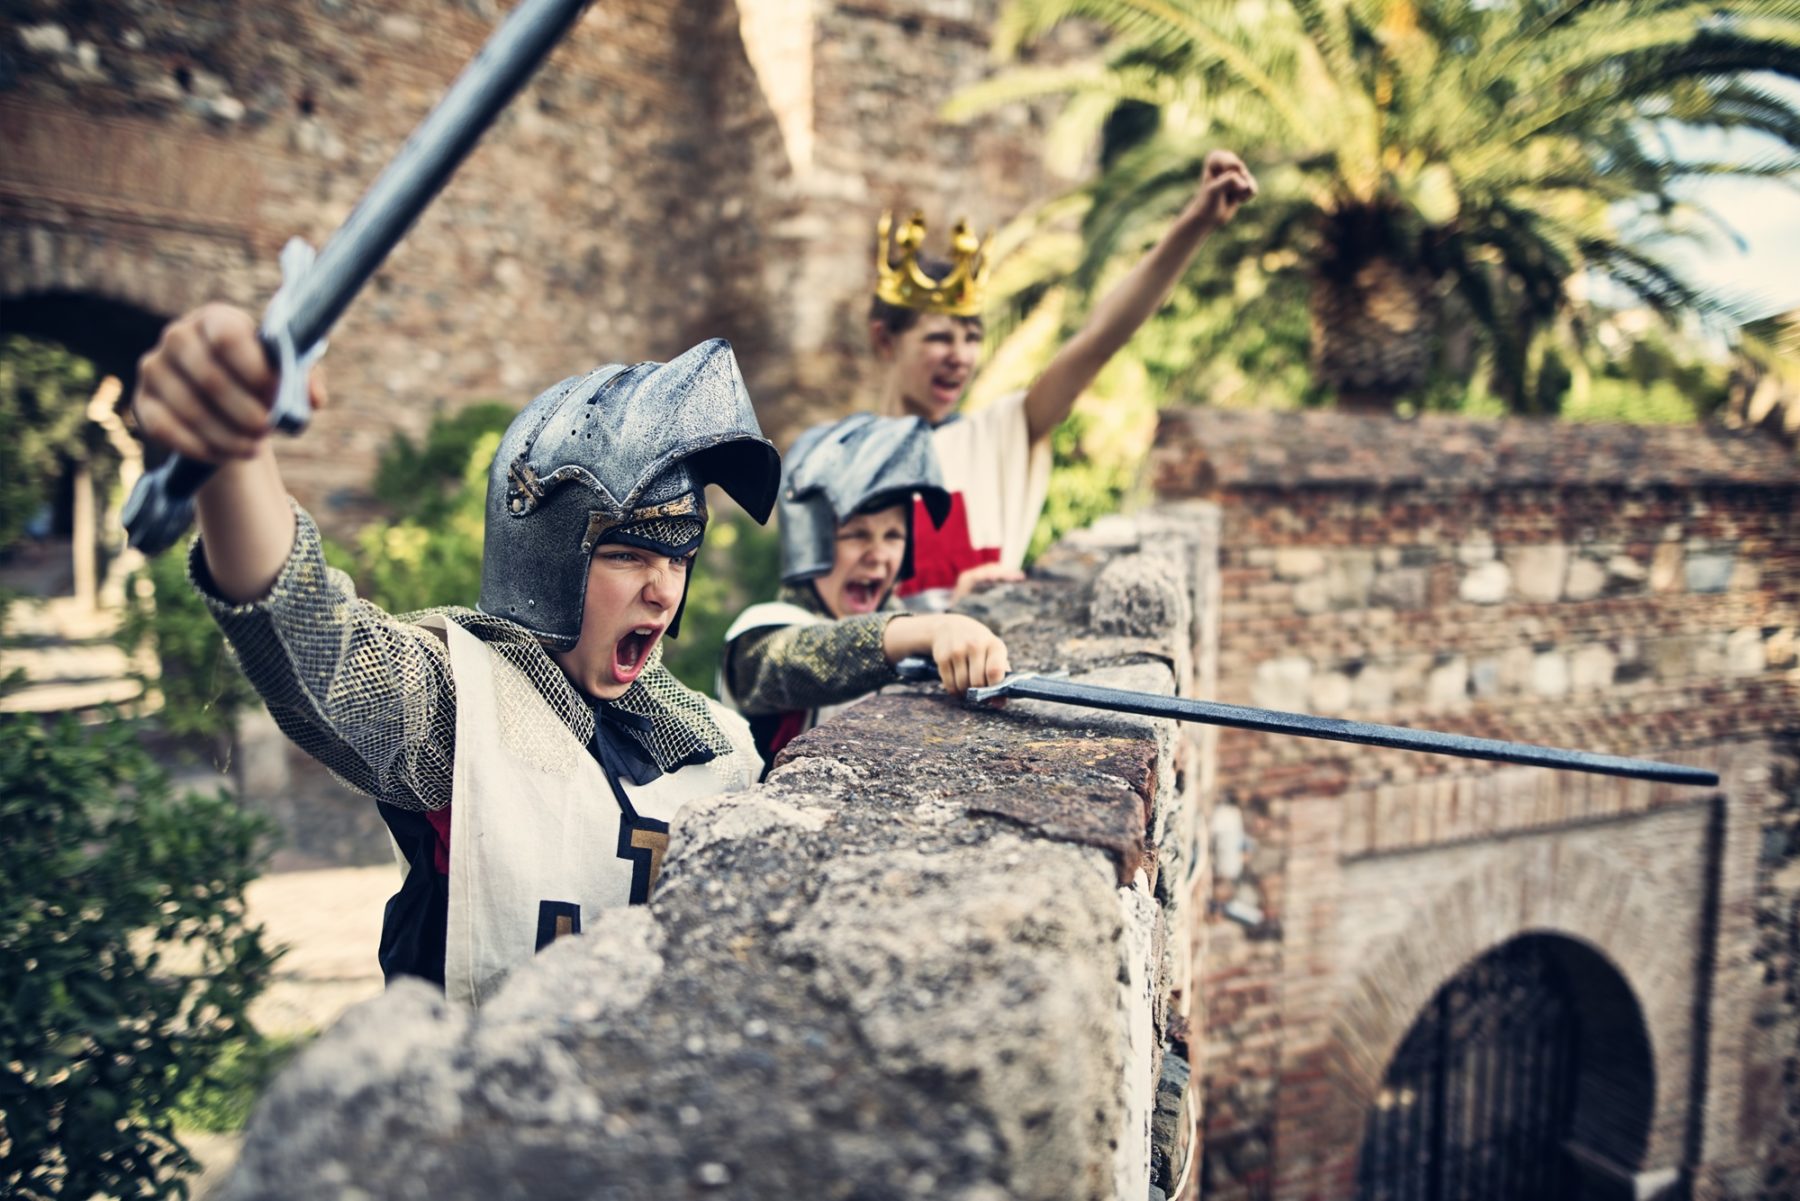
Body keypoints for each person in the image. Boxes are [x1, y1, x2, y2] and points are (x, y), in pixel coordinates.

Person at [130, 303, 778, 1006]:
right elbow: (324, 649)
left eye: (679, 559)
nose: (662, 592)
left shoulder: (724, 748)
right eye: (626, 555)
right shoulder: (461, 708)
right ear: (545, 562)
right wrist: (235, 456)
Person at [871, 149, 1258, 609]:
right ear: (886, 341)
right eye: (938, 338)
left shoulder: (999, 433)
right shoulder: (843, 457)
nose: (961, 357)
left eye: (973, 338)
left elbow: (1097, 341)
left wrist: (1195, 222)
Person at [719, 412, 1010, 769]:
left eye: (893, 536)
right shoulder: (759, 633)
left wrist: (960, 611)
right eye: (856, 535)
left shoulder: (901, 617)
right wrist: (934, 628)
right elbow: (818, 656)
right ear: (811, 543)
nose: (879, 556)